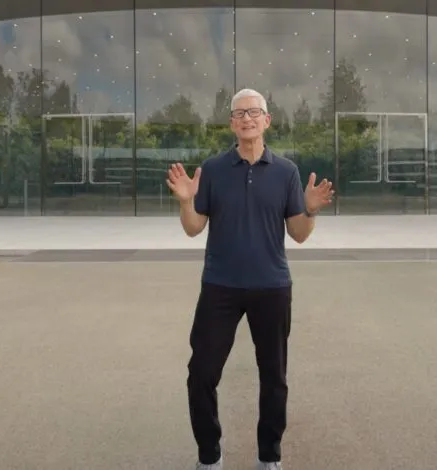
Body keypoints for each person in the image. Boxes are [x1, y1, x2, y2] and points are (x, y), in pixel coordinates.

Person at [165, 88, 334, 470]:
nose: (247, 118)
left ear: (267, 121)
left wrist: (310, 210)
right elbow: (194, 229)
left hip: (271, 287)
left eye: (254, 112)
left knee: (274, 377)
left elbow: (299, 234)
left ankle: (268, 457)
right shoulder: (213, 170)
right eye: (239, 113)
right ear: (231, 123)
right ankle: (210, 456)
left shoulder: (287, 172)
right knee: (201, 375)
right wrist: (186, 201)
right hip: (220, 286)